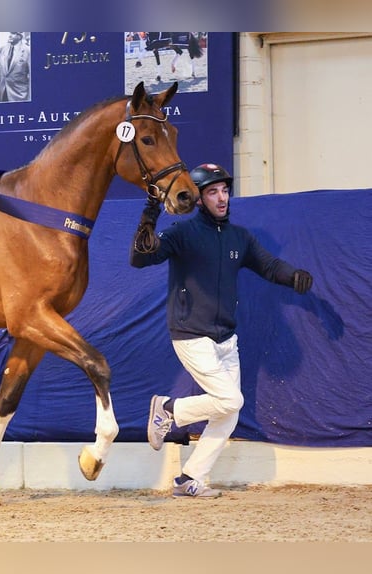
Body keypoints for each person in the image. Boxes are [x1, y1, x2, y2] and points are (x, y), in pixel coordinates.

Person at [129, 163, 314, 498]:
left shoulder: (238, 238)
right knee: (230, 399)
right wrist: (150, 212)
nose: (221, 197)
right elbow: (141, 258)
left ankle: (190, 479)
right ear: (199, 198)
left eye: (225, 190)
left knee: (229, 412)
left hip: (226, 338)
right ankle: (169, 410)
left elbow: (269, 265)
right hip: (190, 333)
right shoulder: (183, 233)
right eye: (212, 191)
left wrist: (292, 275)